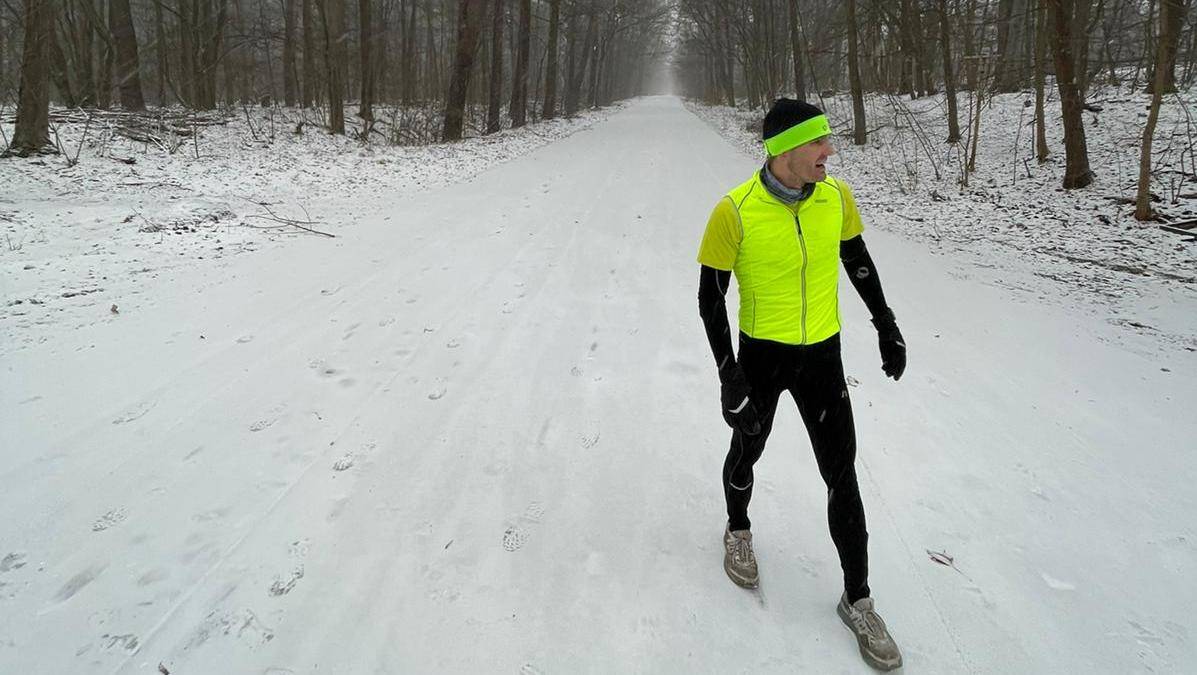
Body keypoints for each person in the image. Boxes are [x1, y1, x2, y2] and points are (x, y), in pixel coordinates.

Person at [696, 98, 906, 671]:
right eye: (818, 142)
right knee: (747, 451)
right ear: (784, 149)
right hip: (761, 358)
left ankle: (858, 599)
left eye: (827, 140)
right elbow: (710, 299)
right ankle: (738, 528)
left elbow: (857, 260)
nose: (829, 151)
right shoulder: (734, 211)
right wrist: (729, 375)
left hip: (823, 360)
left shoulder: (835, 197)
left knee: (843, 473)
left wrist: (885, 324)